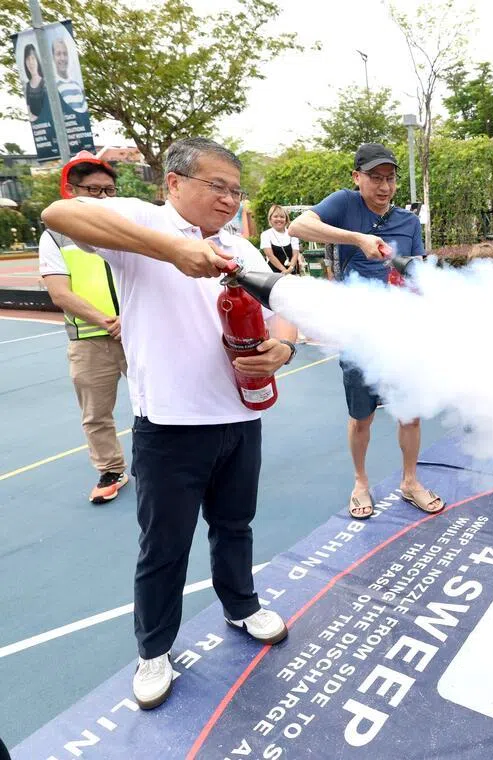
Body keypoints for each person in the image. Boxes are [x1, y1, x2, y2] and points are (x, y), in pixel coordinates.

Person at [41, 137, 297, 710]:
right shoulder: (140, 224)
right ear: (174, 184)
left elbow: (285, 317)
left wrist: (281, 351)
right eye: (217, 186)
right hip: (170, 424)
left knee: (235, 525)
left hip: (240, 415)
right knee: (164, 546)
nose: (229, 199)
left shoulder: (241, 247)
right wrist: (172, 250)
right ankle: (154, 650)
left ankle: (242, 605)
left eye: (236, 189)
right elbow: (58, 213)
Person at [288, 143, 445, 518]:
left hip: (400, 335)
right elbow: (298, 226)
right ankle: (361, 482)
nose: (384, 186)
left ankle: (410, 481)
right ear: (357, 177)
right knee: (362, 416)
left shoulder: (408, 223)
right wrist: (356, 238)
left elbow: (416, 272)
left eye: (390, 179)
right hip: (357, 335)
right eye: (375, 178)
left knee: (410, 412)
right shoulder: (344, 204)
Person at [39, 153, 129, 503]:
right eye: (93, 190)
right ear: (71, 191)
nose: (103, 198)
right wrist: (109, 321)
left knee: (158, 403)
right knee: (96, 415)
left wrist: (133, 320)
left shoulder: (129, 228)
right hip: (91, 341)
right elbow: (60, 293)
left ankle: (166, 465)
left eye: (109, 190)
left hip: (139, 333)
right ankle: (111, 469)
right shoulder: (56, 236)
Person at [51, 35, 88, 116]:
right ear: (53, 57)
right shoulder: (52, 87)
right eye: (58, 54)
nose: (62, 58)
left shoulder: (77, 86)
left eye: (65, 54)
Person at [260, 204, 302, 273]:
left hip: (292, 271)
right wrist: (284, 270)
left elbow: (295, 254)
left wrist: (290, 268)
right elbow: (270, 256)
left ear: (286, 219)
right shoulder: (265, 235)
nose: (279, 219)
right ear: (270, 218)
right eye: (275, 216)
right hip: (274, 273)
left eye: (282, 217)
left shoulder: (292, 233)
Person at [23, 43, 46, 119]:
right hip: (38, 127)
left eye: (33, 58)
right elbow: (28, 108)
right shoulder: (27, 86)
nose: (31, 62)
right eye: (28, 59)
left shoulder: (45, 83)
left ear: (37, 61)